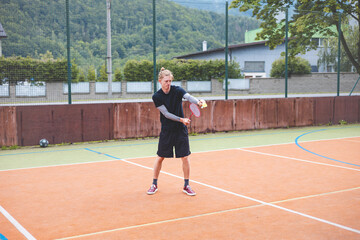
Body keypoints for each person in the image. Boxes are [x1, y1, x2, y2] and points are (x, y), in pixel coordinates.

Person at [147, 67, 206, 196]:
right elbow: (166, 114)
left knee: (185, 157)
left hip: (180, 130)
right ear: (160, 81)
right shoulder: (157, 96)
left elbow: (189, 97)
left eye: (169, 81)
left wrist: (198, 102)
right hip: (167, 130)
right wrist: (181, 119)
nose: (168, 83)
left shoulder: (177, 90)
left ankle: (186, 185)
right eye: (166, 81)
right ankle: (154, 184)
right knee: (160, 157)